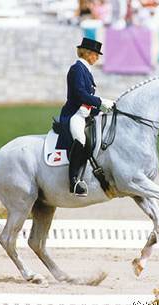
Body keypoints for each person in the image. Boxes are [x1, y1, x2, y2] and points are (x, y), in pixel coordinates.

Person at [58, 37, 114, 197]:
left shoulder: (86, 70)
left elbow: (88, 99)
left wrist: (102, 110)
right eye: (96, 54)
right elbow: (80, 94)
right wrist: (101, 101)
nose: (97, 57)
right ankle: (74, 181)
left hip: (86, 113)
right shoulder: (76, 69)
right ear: (88, 53)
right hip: (74, 114)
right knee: (81, 140)